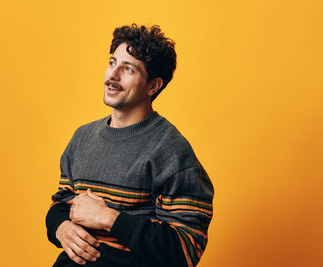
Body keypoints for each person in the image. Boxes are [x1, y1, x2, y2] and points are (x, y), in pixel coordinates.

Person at [45, 23, 214, 267]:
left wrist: (109, 218)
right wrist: (60, 228)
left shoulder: (172, 152)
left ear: (153, 86)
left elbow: (185, 249)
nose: (112, 75)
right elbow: (61, 203)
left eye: (128, 69)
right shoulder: (82, 137)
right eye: (112, 62)